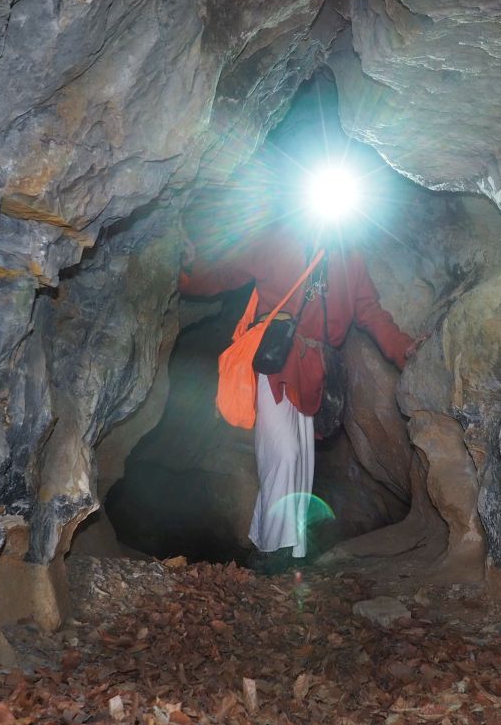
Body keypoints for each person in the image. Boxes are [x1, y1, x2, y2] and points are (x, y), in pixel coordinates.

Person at [179, 223, 418, 571]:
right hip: (275, 359)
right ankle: (273, 551)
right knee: (284, 452)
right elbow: (227, 273)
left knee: (301, 461)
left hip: (313, 370)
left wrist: (402, 347)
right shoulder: (280, 240)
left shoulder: (350, 258)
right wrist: (185, 279)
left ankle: (274, 546)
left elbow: (369, 311)